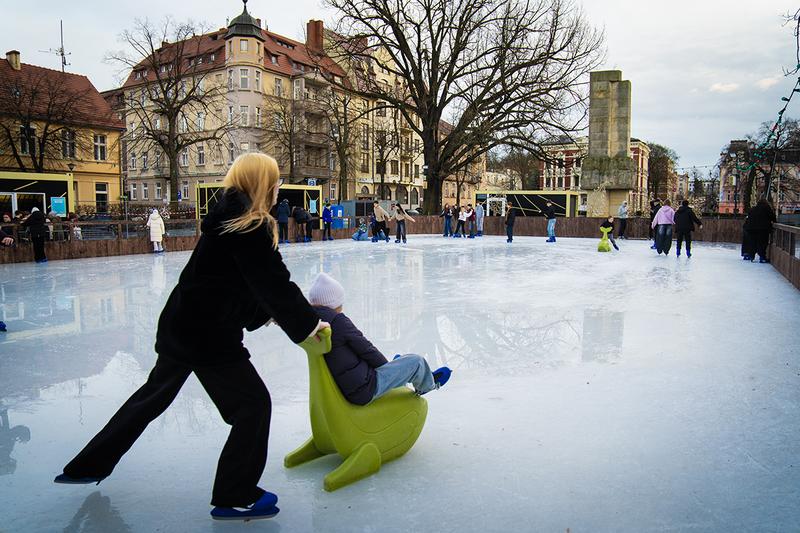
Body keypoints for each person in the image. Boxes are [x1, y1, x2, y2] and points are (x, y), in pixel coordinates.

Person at [54, 153, 331, 522]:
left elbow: (237, 283)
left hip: (182, 325)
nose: (279, 186)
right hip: (208, 335)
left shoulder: (228, 218)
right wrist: (308, 325)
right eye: (275, 179)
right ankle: (235, 495)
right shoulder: (249, 224)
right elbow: (271, 281)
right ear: (261, 182)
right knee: (252, 406)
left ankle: (87, 465)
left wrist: (266, 317)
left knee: (151, 398)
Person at [308, 273, 451, 404]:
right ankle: (428, 384)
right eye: (340, 303)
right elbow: (366, 349)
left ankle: (400, 370)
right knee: (416, 362)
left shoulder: (312, 324)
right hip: (364, 388)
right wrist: (388, 368)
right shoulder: (338, 322)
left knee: (400, 361)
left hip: (349, 385)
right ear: (333, 303)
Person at [744, 198, 777, 263]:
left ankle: (751, 256)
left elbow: (749, 218)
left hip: (751, 229)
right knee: (762, 243)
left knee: (752, 242)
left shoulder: (753, 209)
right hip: (763, 229)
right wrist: (774, 222)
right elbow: (772, 217)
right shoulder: (767, 209)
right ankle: (762, 257)